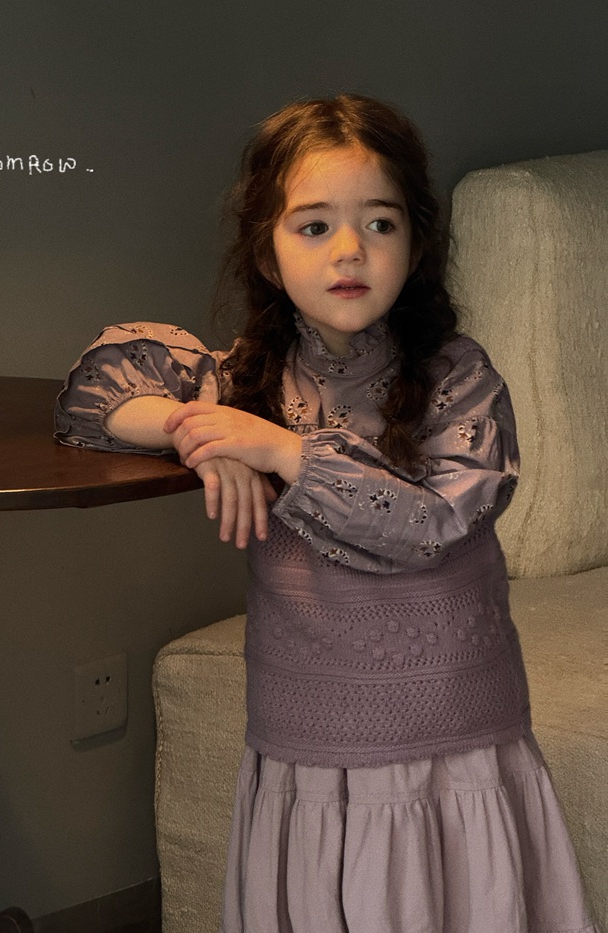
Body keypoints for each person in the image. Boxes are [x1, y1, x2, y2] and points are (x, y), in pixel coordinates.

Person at [55, 95, 598, 933]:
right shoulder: (246, 382)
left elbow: (432, 524)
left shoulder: (459, 377)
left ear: (415, 244)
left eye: (379, 224)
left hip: (450, 744)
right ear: (268, 256)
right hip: (308, 750)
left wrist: (281, 452)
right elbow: (95, 392)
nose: (349, 250)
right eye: (313, 226)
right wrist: (205, 431)